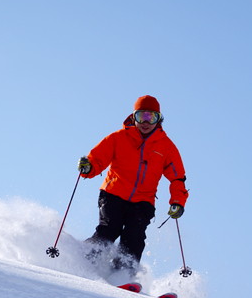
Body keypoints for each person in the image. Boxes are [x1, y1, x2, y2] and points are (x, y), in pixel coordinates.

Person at [78, 95, 188, 275]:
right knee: (108, 230)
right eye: (141, 117)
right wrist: (88, 167)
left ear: (158, 119)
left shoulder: (166, 147)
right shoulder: (118, 138)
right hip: (113, 194)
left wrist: (177, 202)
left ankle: (121, 275)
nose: (145, 122)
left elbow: (178, 178)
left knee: (134, 238)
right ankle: (85, 261)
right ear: (133, 117)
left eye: (150, 117)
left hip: (143, 201)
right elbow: (97, 159)